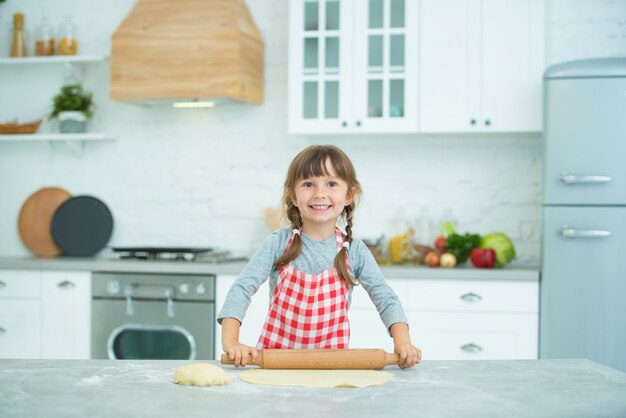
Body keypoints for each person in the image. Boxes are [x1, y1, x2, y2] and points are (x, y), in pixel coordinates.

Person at [217, 145, 421, 369]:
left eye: (331, 184)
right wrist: (231, 341)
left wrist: (403, 343)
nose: (319, 193)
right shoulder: (277, 244)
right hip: (276, 366)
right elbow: (242, 288)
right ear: (292, 195)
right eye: (308, 184)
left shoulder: (354, 251)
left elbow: (385, 298)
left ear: (349, 195)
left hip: (330, 368)